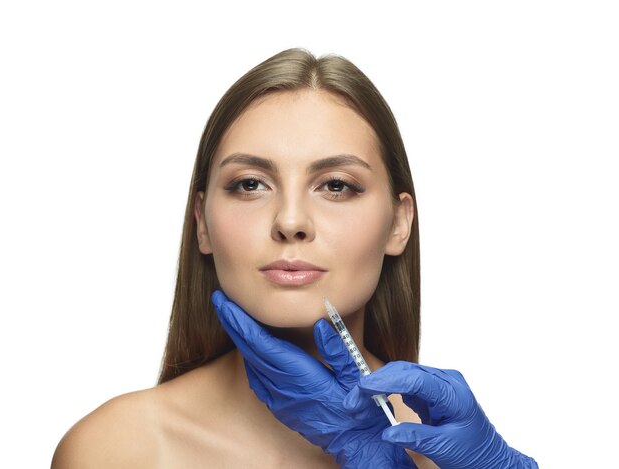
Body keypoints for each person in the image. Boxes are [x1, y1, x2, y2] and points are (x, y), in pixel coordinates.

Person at [51, 48, 537, 468]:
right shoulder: (115, 450)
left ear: (398, 223)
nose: (289, 220)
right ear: (202, 221)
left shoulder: (443, 453)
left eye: (336, 186)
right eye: (250, 184)